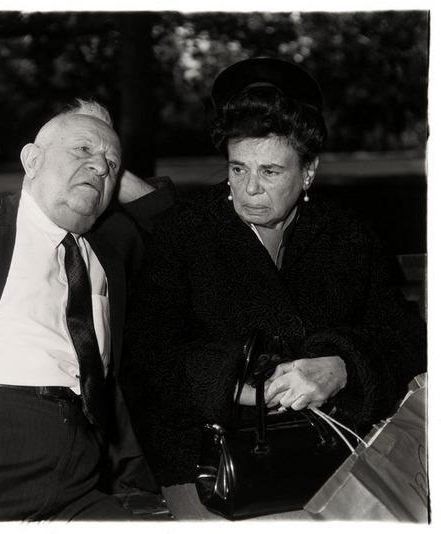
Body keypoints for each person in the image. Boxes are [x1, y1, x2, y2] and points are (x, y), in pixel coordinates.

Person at [121, 58, 427, 514]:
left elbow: (406, 338)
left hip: (336, 451)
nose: (249, 190)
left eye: (270, 172)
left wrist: (342, 365)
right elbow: (149, 360)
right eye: (238, 168)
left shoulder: (347, 235)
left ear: (308, 172)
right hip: (211, 463)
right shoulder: (185, 234)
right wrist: (241, 387)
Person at [0, 99, 176, 521]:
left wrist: (97, 166)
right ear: (31, 159)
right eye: (82, 149)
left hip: (79, 474)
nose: (101, 167)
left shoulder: (110, 248)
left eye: (111, 162)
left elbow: (184, 233)